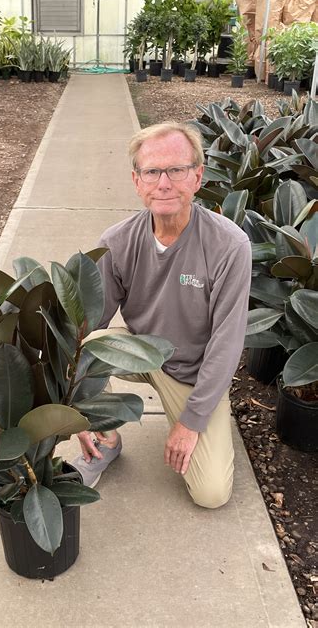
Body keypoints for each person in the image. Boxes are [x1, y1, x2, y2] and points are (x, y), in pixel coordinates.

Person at [72, 121, 252, 509]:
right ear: (137, 181)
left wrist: (190, 423)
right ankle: (108, 440)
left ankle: (206, 421)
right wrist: (78, 412)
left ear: (198, 176)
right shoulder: (117, 242)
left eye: (177, 170)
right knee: (91, 342)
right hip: (142, 353)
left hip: (193, 371)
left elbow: (227, 343)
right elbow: (89, 322)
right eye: (152, 171)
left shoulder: (229, 245)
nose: (164, 183)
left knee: (211, 495)